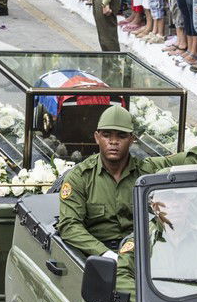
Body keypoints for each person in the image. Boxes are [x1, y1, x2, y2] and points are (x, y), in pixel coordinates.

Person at [57, 106, 144, 257]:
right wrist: (105, 254)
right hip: (98, 254)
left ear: (132, 139)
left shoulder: (145, 172)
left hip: (141, 253)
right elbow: (69, 226)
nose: (113, 142)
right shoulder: (80, 177)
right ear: (97, 137)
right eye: (106, 135)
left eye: (121, 136)